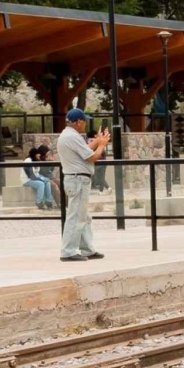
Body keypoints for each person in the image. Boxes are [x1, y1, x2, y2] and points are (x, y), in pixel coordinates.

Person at [56, 107, 111, 261]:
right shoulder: (72, 137)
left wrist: (97, 142)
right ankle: (68, 251)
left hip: (76, 179)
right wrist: (102, 145)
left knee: (83, 216)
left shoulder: (68, 135)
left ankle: (86, 248)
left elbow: (84, 151)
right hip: (78, 179)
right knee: (76, 217)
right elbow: (92, 157)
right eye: (84, 121)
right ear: (79, 122)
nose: (85, 124)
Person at [22, 144, 55, 209]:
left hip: (34, 178)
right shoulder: (28, 161)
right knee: (41, 184)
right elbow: (31, 176)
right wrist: (43, 179)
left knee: (47, 183)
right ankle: (39, 201)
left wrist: (51, 162)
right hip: (27, 180)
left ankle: (48, 201)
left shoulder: (36, 161)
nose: (39, 155)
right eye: (37, 154)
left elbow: (39, 174)